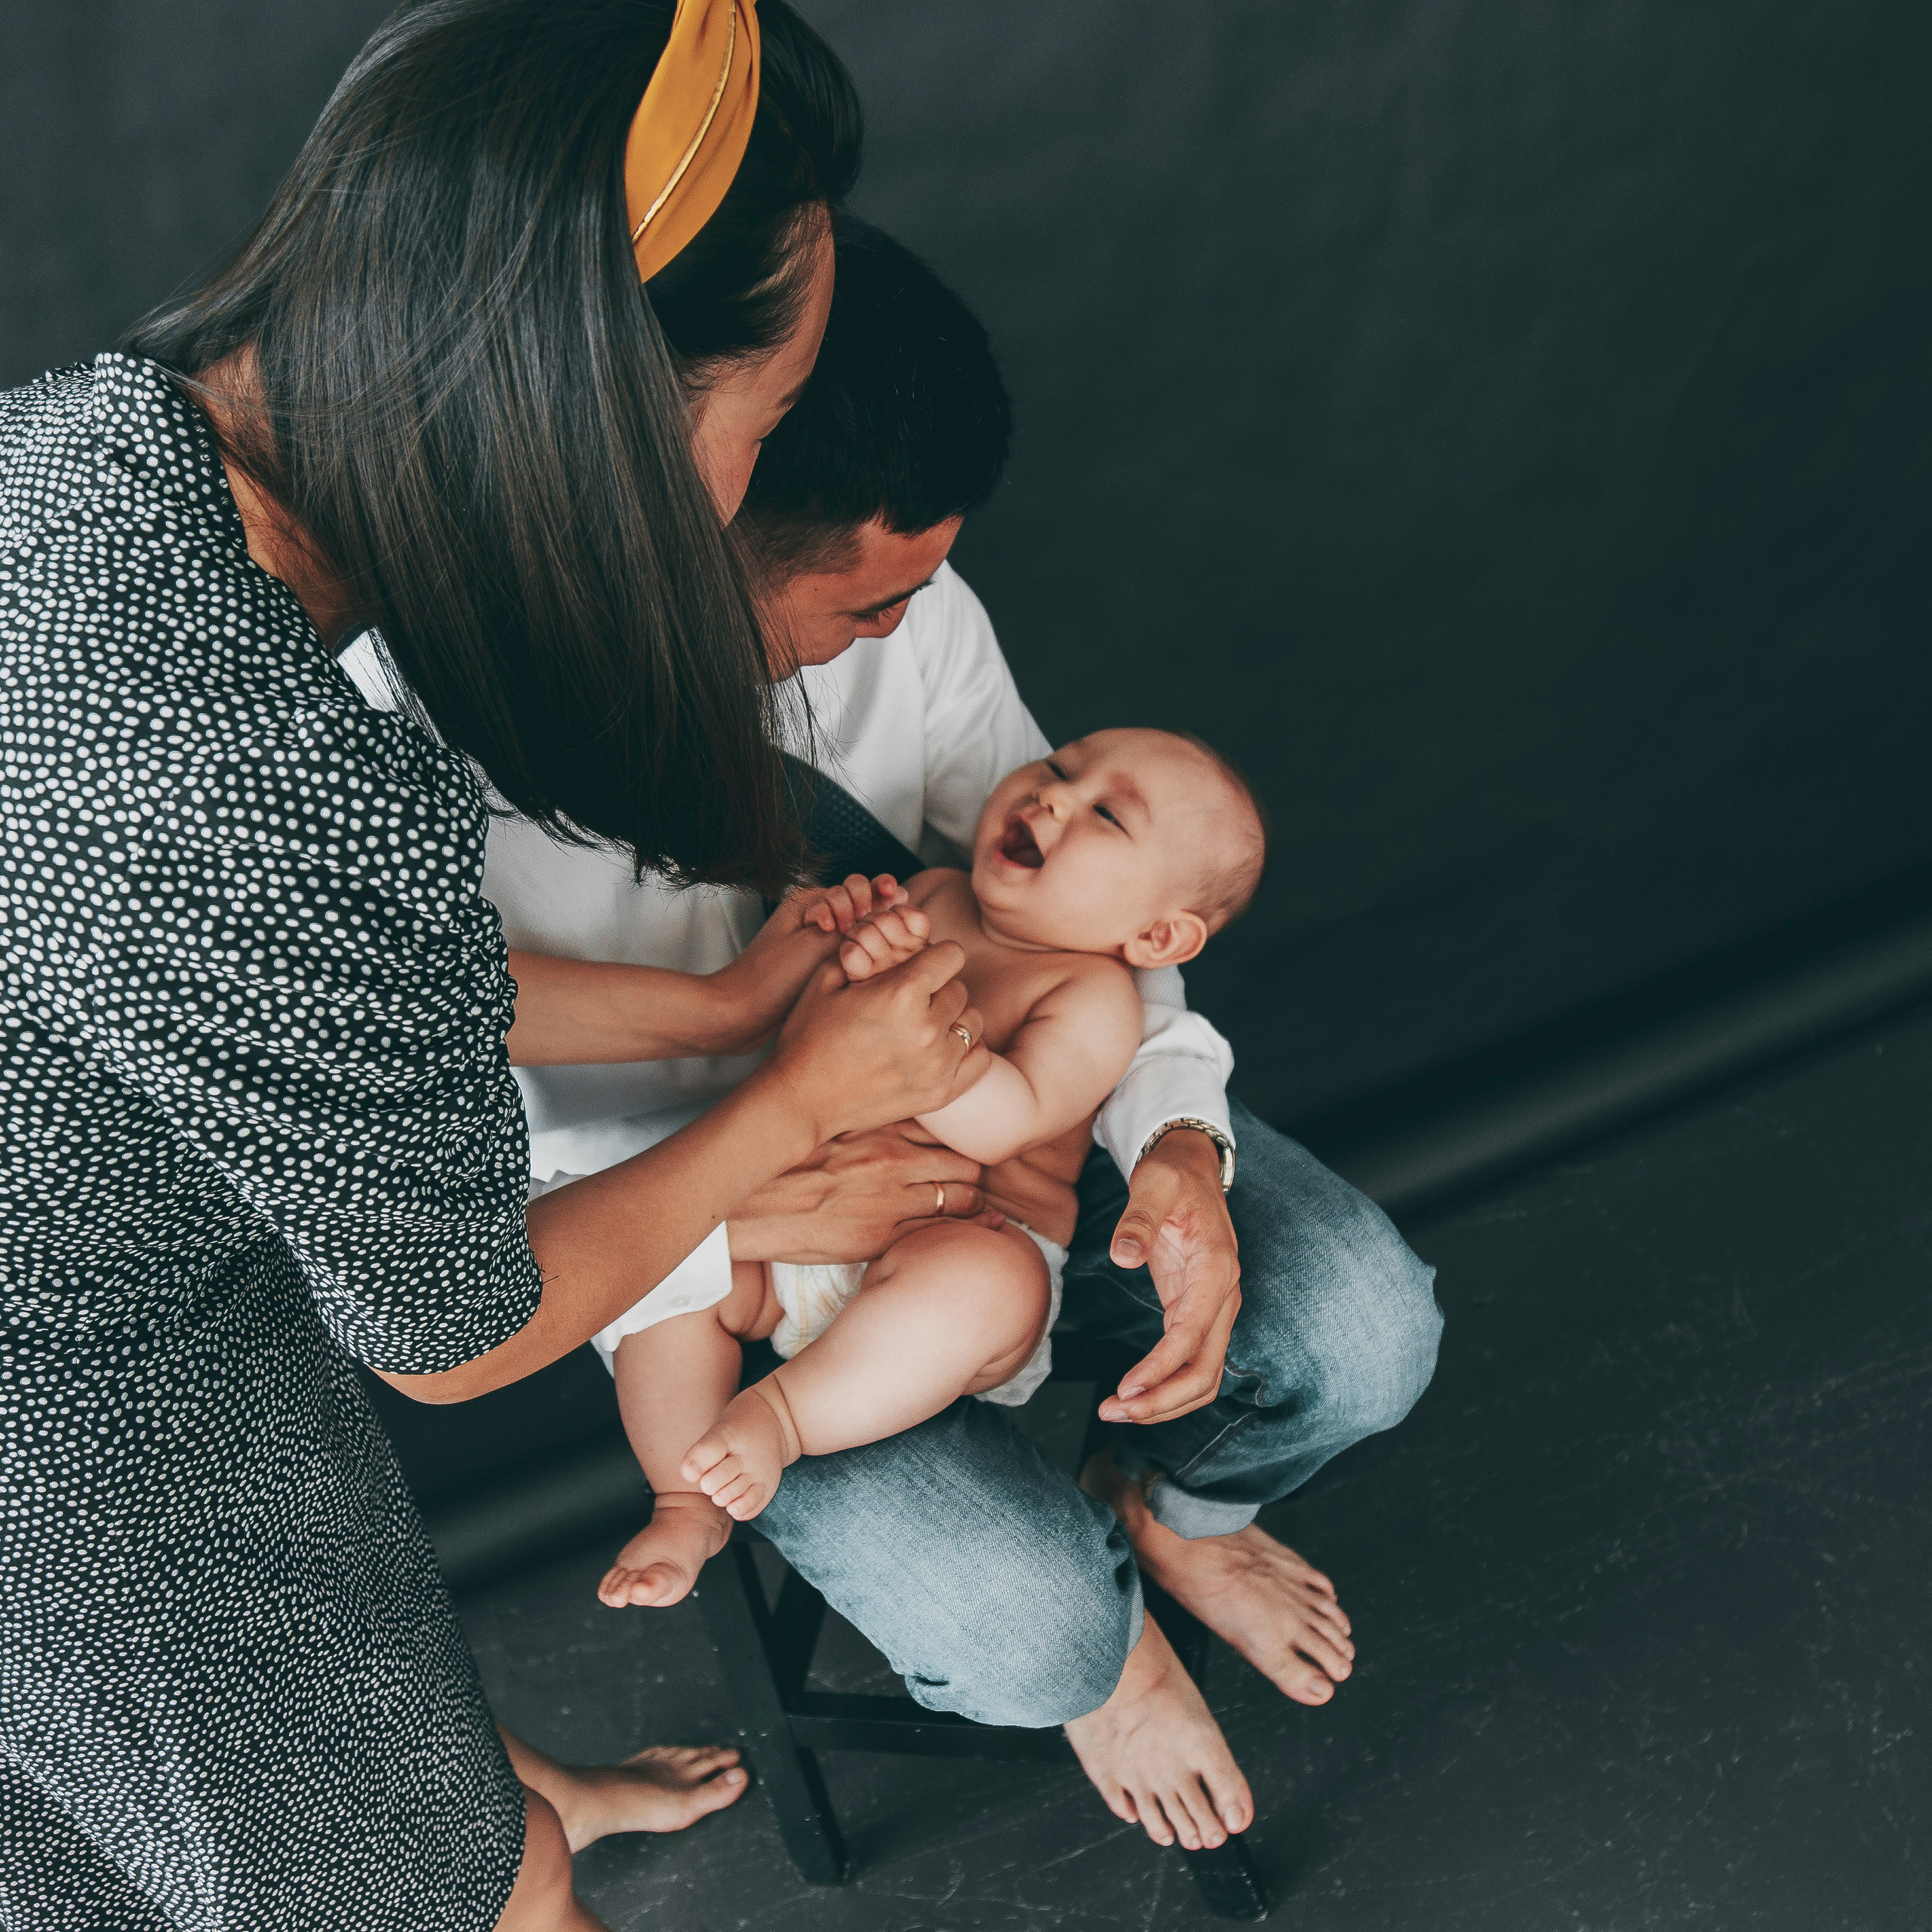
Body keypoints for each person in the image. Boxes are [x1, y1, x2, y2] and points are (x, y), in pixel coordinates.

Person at [0, 8, 991, 1930]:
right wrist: (797, 1099)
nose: (742, 490)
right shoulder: (280, 787)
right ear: (591, 402)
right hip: (79, 1448)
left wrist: (724, 1014)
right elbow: (450, 1331)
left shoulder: (73, 443)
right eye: (761, 423)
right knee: (440, 1884)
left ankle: (500, 1794)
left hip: (103, 1288)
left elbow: (265, 1005)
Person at [481, 220, 1446, 1857]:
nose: (906, 627)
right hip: (710, 1230)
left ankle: (1168, 1508)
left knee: (1360, 1327)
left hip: (995, 1183)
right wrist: (761, 1185)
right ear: (708, 505)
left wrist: (1180, 1150)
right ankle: (1091, 1625)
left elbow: (1099, 934)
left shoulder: (911, 606)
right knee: (1033, 1638)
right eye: (867, 606)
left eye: (918, 593)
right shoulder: (445, 751)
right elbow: (482, 1193)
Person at [577, 728, 1268, 1601]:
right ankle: (684, 1502)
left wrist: (906, 1012)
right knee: (665, 1280)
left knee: (984, 1282)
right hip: (790, 1235)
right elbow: (814, 1023)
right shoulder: (933, 891)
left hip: (956, 1242)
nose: (1053, 793)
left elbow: (1007, 1120)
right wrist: (835, 937)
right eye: (1058, 767)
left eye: (1105, 815)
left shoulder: (1092, 997)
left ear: (1158, 933)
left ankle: (780, 1418)